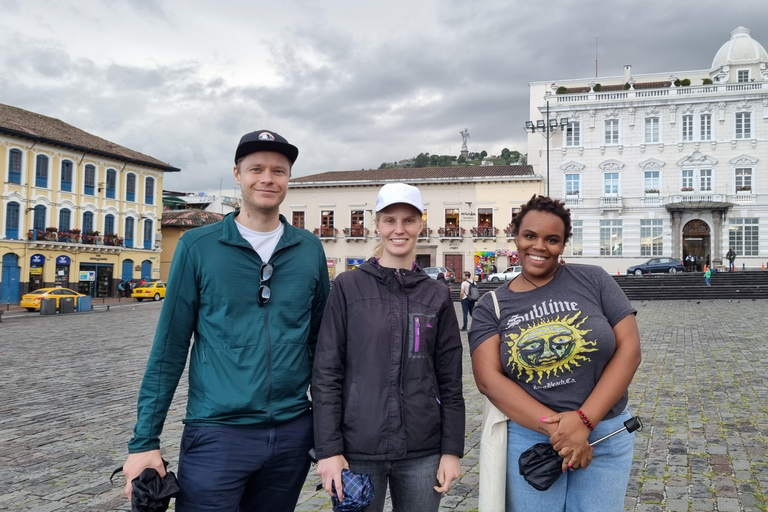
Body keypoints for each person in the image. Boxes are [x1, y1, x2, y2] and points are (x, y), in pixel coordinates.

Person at [121, 130, 330, 511]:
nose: (267, 178)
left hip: (291, 433)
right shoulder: (197, 247)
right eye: (256, 169)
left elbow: (323, 348)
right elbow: (170, 348)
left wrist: (331, 438)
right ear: (237, 174)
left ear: (288, 180)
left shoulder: (309, 249)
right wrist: (144, 442)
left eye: (278, 171)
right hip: (218, 434)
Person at [469, 195, 641, 511]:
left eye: (552, 239)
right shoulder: (490, 306)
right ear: (515, 236)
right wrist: (562, 432)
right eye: (530, 236)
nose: (539, 247)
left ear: (563, 244)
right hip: (531, 439)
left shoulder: (594, 279)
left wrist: (585, 422)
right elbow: (488, 379)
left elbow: (629, 348)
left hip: (605, 434)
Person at [313, 182, 465, 512]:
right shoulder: (347, 287)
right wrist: (328, 449)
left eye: (408, 220)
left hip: (422, 451)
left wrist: (451, 450)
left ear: (420, 224)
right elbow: (326, 373)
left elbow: (450, 379)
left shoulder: (435, 294)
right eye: (390, 220)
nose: (399, 229)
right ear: (377, 224)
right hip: (357, 449)